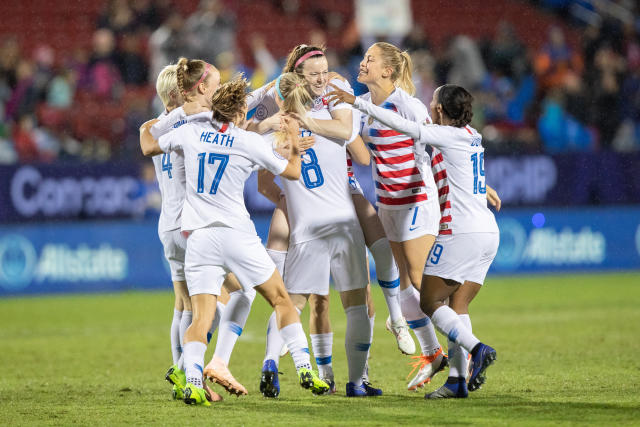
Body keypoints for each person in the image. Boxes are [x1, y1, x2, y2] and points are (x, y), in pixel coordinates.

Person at [249, 44, 408, 395]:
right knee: (356, 303)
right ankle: (356, 381)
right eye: (315, 75)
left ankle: (272, 361)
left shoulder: (278, 132)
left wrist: (264, 122)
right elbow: (359, 149)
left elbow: (250, 142)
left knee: (292, 303)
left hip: (306, 227)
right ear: (298, 79)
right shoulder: (332, 115)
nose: (324, 79)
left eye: (326, 71)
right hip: (341, 221)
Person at [327, 83, 499, 399]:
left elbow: (403, 126)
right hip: (489, 230)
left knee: (429, 300)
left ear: (438, 110)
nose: (428, 105)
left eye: (432, 102)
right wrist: (483, 187)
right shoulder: (472, 135)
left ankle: (477, 348)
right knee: (456, 304)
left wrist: (358, 104)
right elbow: (455, 166)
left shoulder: (444, 134)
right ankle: (457, 383)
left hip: (461, 232)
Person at [147, 59, 258, 400]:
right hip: (194, 225)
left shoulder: (156, 127)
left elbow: (149, 137)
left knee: (183, 305)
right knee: (238, 292)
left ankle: (184, 372)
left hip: (168, 225)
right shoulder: (194, 124)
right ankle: (194, 368)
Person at [350, 42, 447, 391]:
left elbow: (437, 145)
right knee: (404, 286)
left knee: (423, 283)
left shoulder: (408, 105)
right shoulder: (362, 110)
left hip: (417, 200)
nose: (362, 64)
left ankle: (466, 353)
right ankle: (433, 354)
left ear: (387, 71)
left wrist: (472, 189)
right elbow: (356, 149)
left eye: (369, 60)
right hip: (388, 204)